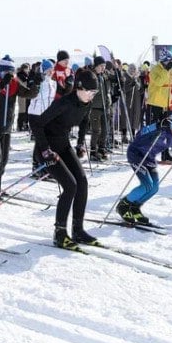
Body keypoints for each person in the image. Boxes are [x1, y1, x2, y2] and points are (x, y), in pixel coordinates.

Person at [29, 68, 100, 249]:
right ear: (79, 87)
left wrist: (80, 143)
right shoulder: (64, 103)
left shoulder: (87, 103)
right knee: (70, 185)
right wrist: (45, 151)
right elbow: (37, 124)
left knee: (82, 182)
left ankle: (78, 230)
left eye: (95, 92)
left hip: (64, 145)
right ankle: (59, 233)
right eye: (90, 91)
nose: (92, 95)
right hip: (47, 148)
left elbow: (84, 122)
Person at [115, 111, 172, 225]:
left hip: (149, 158)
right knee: (147, 185)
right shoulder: (161, 128)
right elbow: (141, 133)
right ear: (171, 124)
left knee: (154, 187)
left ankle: (135, 206)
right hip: (137, 155)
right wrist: (158, 126)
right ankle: (123, 205)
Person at [0, 55, 40, 196]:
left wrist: (36, 84)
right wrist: (1, 84)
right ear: (1, 70)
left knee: (4, 158)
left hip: (6, 126)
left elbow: (29, 94)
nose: (9, 74)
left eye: (11, 72)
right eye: (7, 71)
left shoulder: (14, 83)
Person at [145, 50, 172, 160]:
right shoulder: (155, 70)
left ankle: (165, 153)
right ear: (164, 61)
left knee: (166, 129)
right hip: (154, 103)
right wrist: (166, 71)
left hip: (165, 103)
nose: (170, 64)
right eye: (169, 61)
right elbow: (159, 82)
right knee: (153, 129)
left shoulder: (169, 71)